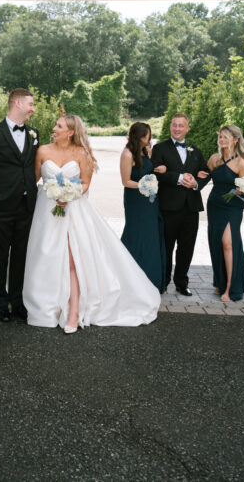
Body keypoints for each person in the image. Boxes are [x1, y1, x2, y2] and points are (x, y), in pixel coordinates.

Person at [24, 115, 160, 333]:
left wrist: (69, 194)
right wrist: (52, 194)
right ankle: (45, 306)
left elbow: (86, 183)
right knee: (45, 256)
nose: (54, 128)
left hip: (73, 210)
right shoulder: (42, 151)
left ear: (70, 132)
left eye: (58, 126)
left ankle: (74, 312)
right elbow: (33, 181)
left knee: (72, 259)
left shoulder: (82, 153)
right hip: (46, 211)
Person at [0, 89, 38, 323]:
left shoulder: (34, 133)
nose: (33, 108)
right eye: (30, 104)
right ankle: (1, 303)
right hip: (0, 205)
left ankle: (17, 301)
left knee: (20, 257)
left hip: (26, 205)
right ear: (17, 103)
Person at [150, 113, 210, 296]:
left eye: (181, 126)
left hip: (191, 207)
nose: (177, 128)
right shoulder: (160, 148)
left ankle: (182, 282)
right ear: (170, 127)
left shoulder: (196, 151)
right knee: (166, 246)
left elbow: (206, 172)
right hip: (168, 206)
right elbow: (155, 172)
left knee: (187, 247)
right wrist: (178, 177)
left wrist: (196, 184)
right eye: (174, 125)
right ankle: (164, 280)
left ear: (187, 128)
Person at [206, 125, 244, 302]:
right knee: (217, 243)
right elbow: (205, 177)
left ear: (235, 139)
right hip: (215, 205)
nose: (222, 140)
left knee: (228, 243)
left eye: (225, 137)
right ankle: (220, 281)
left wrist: (242, 190)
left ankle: (230, 287)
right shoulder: (214, 160)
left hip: (232, 207)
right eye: (220, 137)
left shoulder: (242, 162)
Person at [119, 122, 167, 292]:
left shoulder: (145, 150)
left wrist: (157, 170)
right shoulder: (127, 154)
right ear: (140, 137)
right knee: (136, 234)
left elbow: (147, 170)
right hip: (135, 201)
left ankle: (150, 279)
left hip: (150, 201)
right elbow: (126, 181)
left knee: (150, 236)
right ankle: (129, 279)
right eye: (148, 135)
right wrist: (144, 186)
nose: (150, 138)